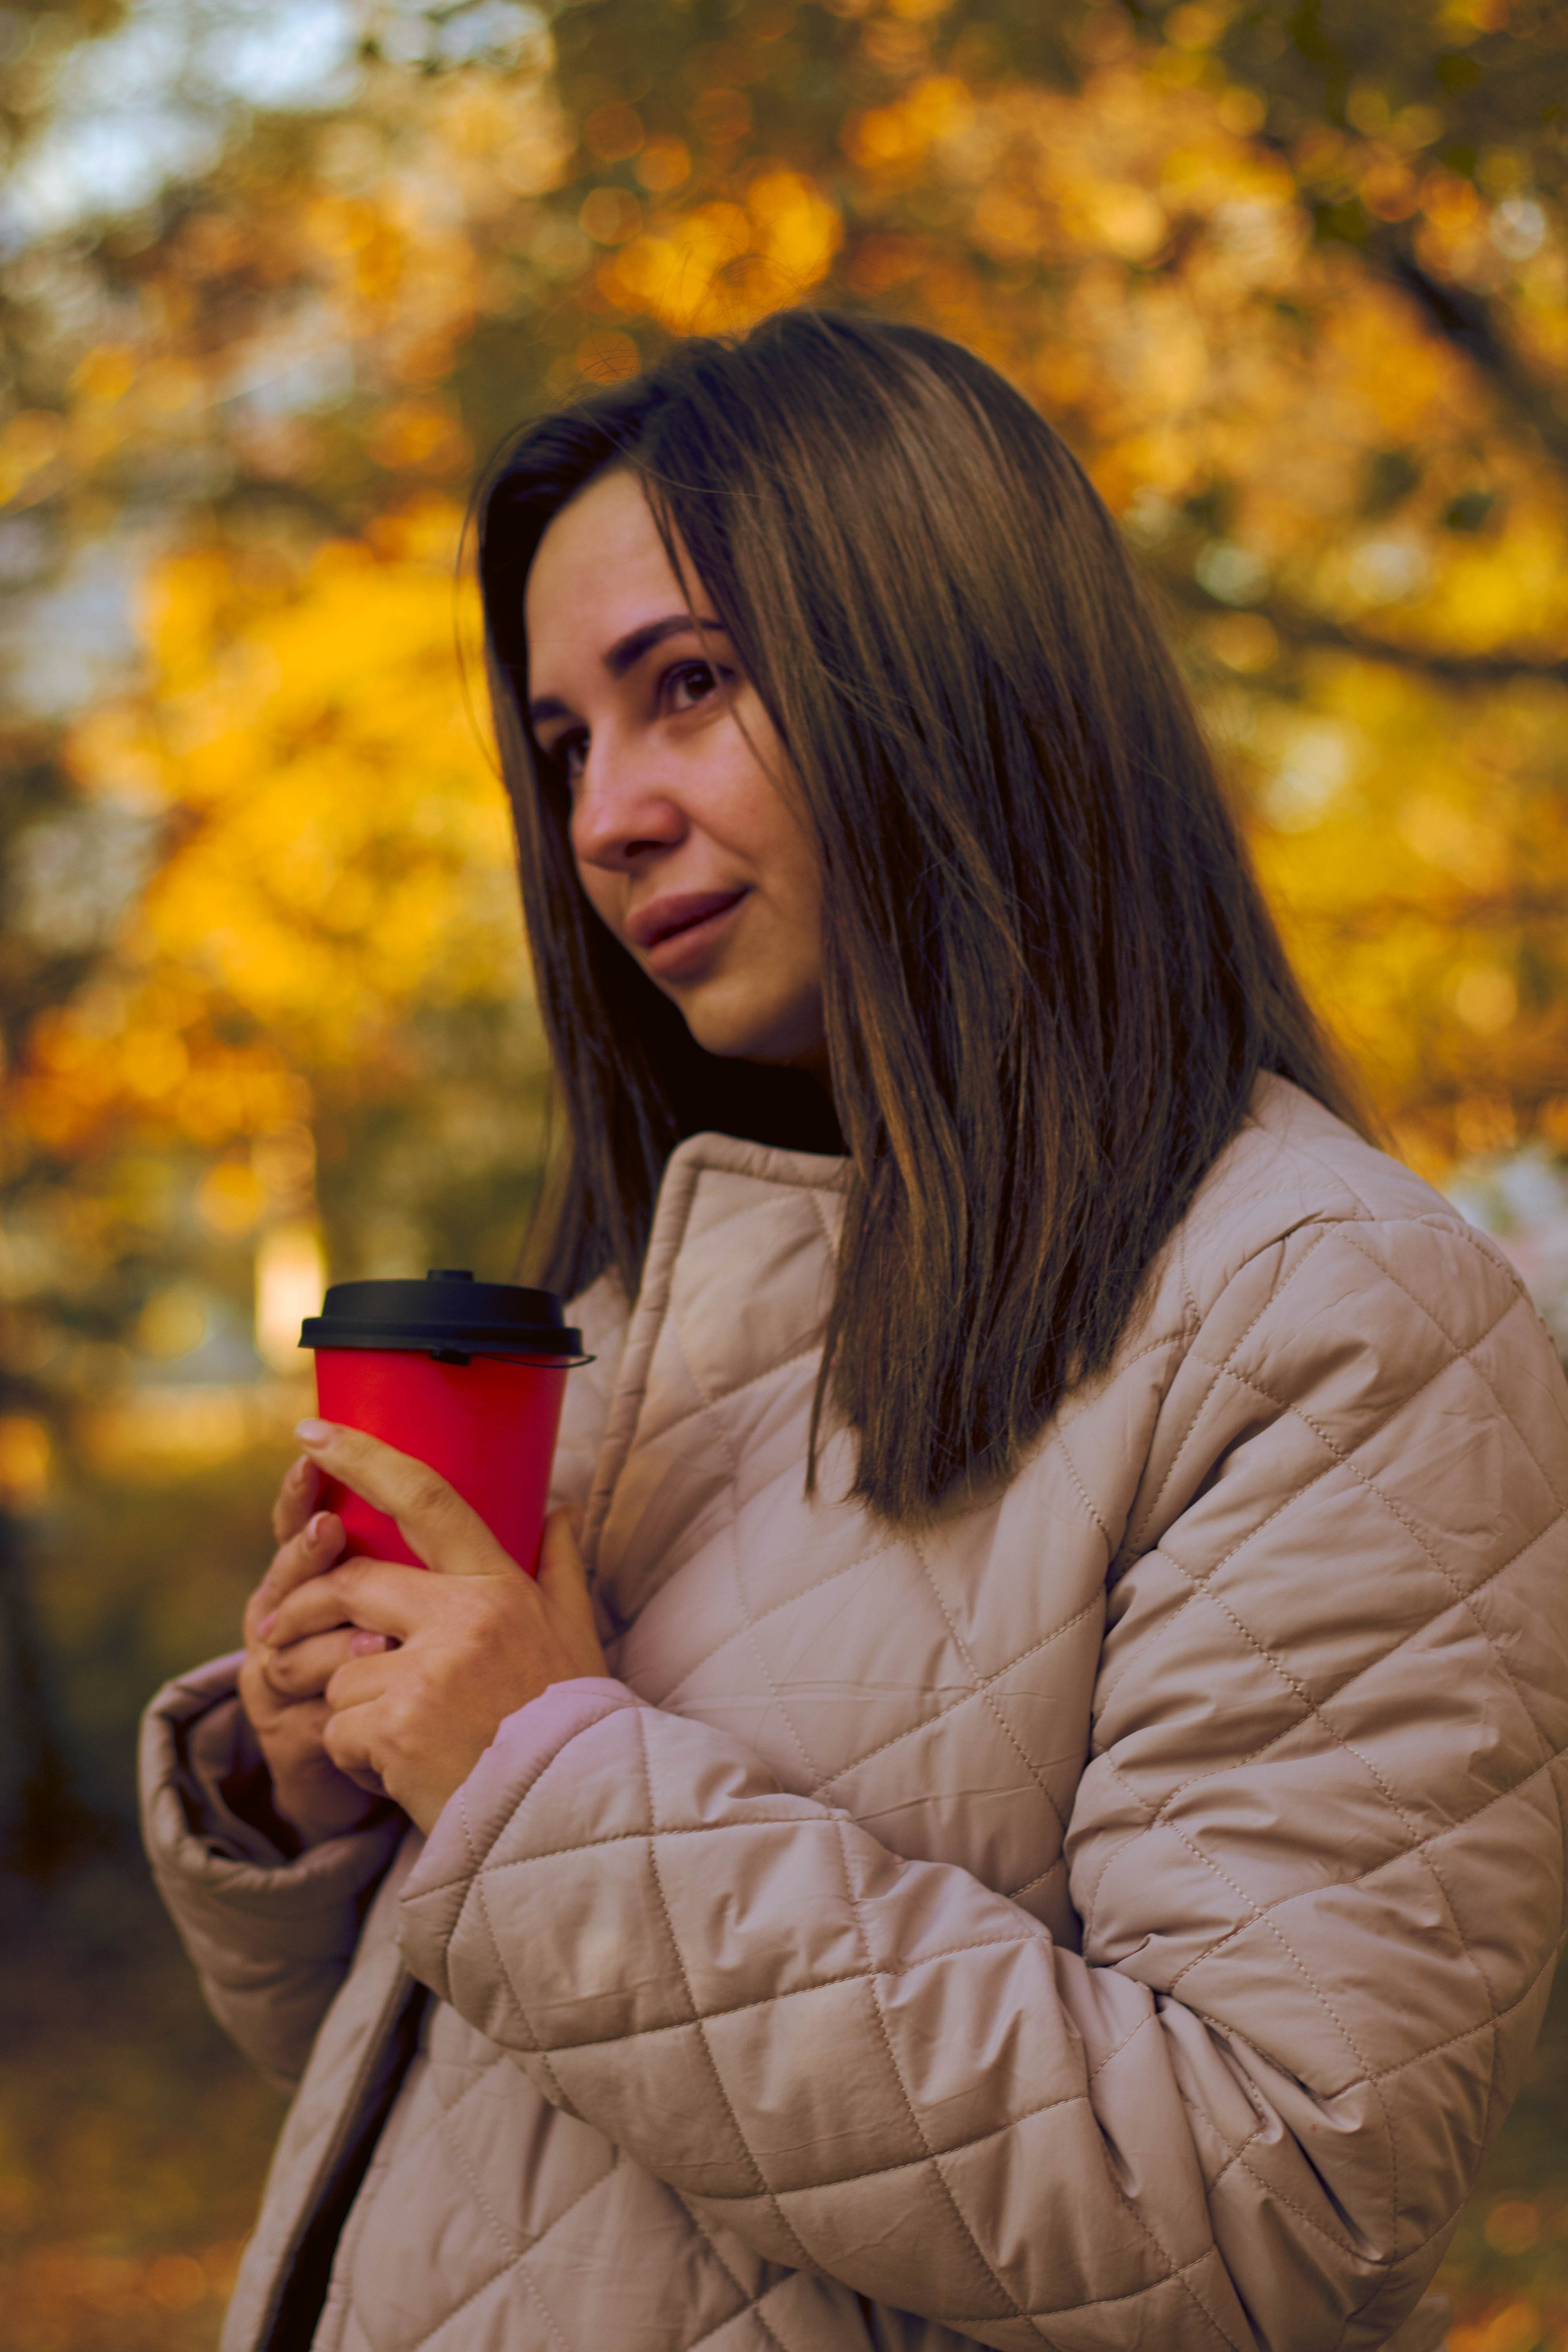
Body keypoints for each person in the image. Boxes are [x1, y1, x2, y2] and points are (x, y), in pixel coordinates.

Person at [141, 309, 1568, 2352]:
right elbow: (511, 2151)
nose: (604, 817)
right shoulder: (655, 1321)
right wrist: (337, 1802)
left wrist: (534, 1781)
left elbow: (1275, 2216)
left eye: (686, 685)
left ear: (949, 663)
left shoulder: (1330, 1320)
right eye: (564, 747)